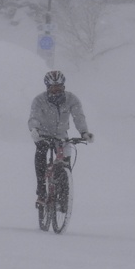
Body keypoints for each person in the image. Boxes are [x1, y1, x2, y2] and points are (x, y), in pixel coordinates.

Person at [28, 70, 94, 204]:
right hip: (43, 134)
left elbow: (78, 117)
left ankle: (64, 192)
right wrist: (34, 129)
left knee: (65, 161)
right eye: (54, 87)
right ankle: (41, 189)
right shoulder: (39, 100)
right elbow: (34, 117)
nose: (57, 90)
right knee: (41, 154)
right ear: (48, 87)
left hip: (61, 135)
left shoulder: (71, 99)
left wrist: (84, 133)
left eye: (60, 87)